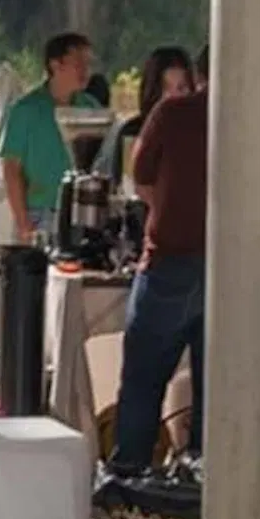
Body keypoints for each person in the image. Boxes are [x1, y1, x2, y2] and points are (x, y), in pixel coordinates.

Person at [102, 54, 209, 489]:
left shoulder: (173, 113)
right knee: (215, 390)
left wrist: (169, 207)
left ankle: (128, 485)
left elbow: (140, 178)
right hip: (234, 270)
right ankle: (200, 483)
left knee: (144, 380)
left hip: (170, 261)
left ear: (200, 76)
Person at [0, 31, 89, 241]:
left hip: (81, 213)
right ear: (56, 65)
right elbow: (12, 169)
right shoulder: (25, 110)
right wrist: (23, 222)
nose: (85, 70)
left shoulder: (90, 108)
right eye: (78, 63)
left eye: (87, 63)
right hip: (39, 212)